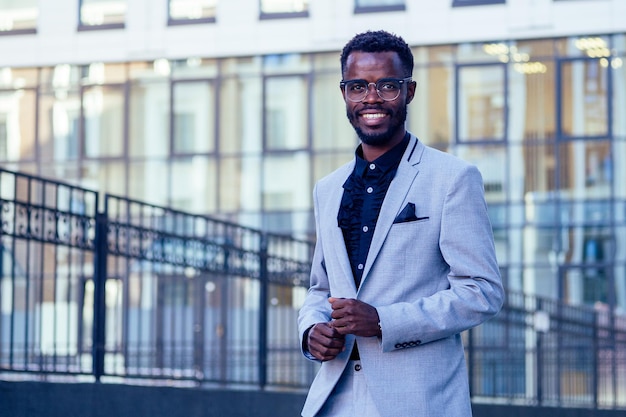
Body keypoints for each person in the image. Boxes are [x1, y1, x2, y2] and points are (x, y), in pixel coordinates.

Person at [297, 30, 505, 417]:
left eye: (387, 86)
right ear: (344, 93)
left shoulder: (452, 178)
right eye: (358, 86)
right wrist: (311, 331)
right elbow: (320, 288)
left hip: (418, 401)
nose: (371, 98)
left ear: (409, 92)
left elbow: (482, 291)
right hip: (333, 398)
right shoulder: (328, 189)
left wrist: (383, 321)